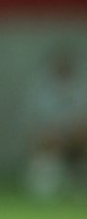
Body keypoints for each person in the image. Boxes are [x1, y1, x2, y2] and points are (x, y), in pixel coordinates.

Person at [23, 47, 87, 199]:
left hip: (78, 135)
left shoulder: (82, 87)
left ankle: (80, 182)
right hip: (50, 136)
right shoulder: (40, 90)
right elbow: (31, 120)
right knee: (45, 140)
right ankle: (45, 184)